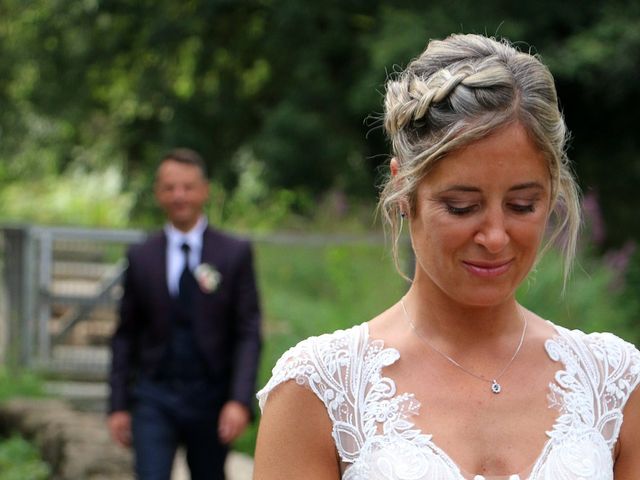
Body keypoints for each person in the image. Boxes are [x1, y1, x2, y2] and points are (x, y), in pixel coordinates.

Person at [253, 33, 640, 479]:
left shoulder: (613, 384)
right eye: (461, 206)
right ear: (403, 191)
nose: (495, 236)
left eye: (522, 205)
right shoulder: (320, 390)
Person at [107, 148, 262, 480]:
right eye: (170, 187)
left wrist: (238, 400)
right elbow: (125, 334)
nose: (179, 195)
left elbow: (248, 332)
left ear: (204, 190)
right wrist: (118, 404)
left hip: (211, 397)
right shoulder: (141, 256)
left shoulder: (234, 253)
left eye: (187, 187)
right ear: (158, 193)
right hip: (154, 396)